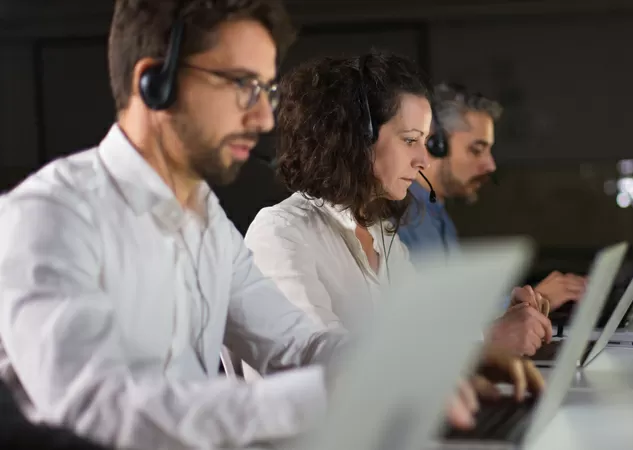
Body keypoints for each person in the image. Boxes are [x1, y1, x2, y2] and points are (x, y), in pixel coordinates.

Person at [0, 1, 542, 447]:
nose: (262, 119)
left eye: (267, 91)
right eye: (242, 85)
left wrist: (424, 367)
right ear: (154, 84)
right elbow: (96, 410)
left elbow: (296, 345)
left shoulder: (207, 222)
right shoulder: (52, 215)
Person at [243, 52, 553, 357]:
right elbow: (320, 359)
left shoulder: (382, 233)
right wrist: (488, 343)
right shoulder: (281, 233)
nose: (422, 160)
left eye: (425, 141)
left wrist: (496, 328)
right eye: (409, 140)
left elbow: (425, 333)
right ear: (357, 138)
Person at [397, 83, 587, 313]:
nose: (490, 165)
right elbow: (431, 319)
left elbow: (458, 306)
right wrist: (535, 299)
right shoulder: (400, 218)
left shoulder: (438, 214)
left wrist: (527, 301)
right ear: (434, 144)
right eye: (477, 150)